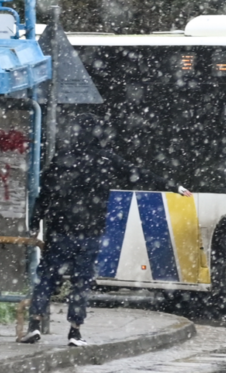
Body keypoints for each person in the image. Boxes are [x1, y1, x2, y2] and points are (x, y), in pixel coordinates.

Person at [19, 113, 192, 346]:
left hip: (60, 231)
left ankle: (35, 325)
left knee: (47, 278)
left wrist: (34, 224)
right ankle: (74, 332)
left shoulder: (62, 158)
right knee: (82, 282)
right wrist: (173, 186)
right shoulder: (106, 159)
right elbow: (139, 174)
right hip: (90, 232)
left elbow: (44, 195)